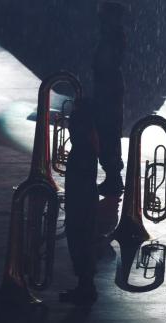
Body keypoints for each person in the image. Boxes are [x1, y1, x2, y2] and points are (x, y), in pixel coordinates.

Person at [59, 98, 99, 305]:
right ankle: (85, 286)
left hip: (81, 200)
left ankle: (85, 287)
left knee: (80, 240)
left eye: (72, 126)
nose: (69, 130)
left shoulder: (82, 150)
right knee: (82, 240)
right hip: (84, 198)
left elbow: (80, 180)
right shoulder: (86, 147)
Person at [93, 1, 126, 196]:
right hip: (107, 88)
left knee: (108, 132)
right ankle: (113, 176)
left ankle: (114, 177)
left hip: (108, 89)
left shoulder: (112, 36)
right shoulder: (111, 35)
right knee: (108, 133)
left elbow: (105, 62)